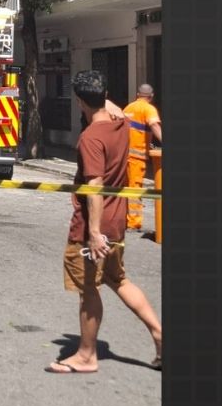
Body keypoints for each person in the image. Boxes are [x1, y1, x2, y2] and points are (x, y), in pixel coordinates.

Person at [47, 70, 163, 375]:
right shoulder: (120, 124)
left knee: (89, 289)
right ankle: (160, 335)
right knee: (119, 280)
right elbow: (107, 106)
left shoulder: (90, 138)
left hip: (93, 228)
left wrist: (94, 233)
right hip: (118, 222)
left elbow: (95, 187)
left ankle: (86, 356)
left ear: (79, 101)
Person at [121, 84, 163, 232]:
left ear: (137, 94)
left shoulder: (128, 108)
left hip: (124, 155)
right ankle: (134, 223)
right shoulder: (149, 109)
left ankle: (123, 219)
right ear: (151, 97)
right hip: (136, 157)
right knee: (135, 189)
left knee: (125, 188)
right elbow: (154, 126)